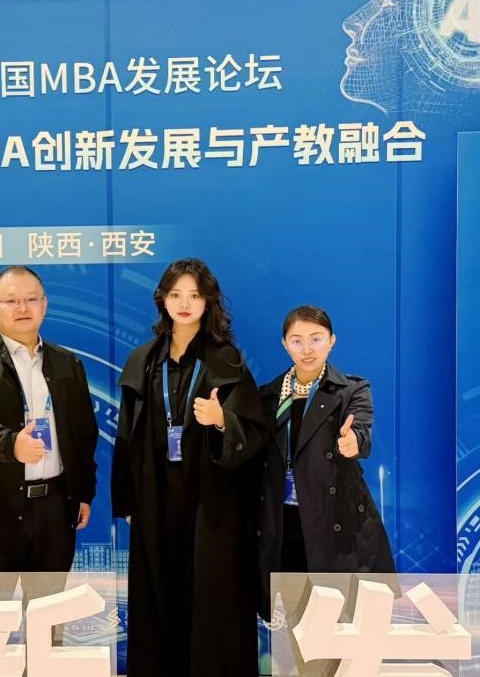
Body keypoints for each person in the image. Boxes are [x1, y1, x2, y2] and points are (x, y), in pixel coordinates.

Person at [111, 258, 267, 677]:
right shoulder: (143, 360)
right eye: (176, 294)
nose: (184, 303)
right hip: (156, 496)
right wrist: (127, 499)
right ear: (162, 299)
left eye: (194, 296)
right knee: (158, 594)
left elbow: (254, 432)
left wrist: (222, 421)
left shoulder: (226, 360)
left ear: (207, 302)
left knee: (211, 596)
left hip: (210, 499)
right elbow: (126, 435)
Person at [0, 265, 98, 602]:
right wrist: (12, 444)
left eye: (31, 299)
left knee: (48, 612)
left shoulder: (68, 363)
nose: (22, 308)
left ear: (44, 304)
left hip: (55, 507)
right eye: (11, 300)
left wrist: (84, 492)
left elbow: (84, 432)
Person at [257, 305, 395, 672]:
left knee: (342, 632)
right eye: (297, 340)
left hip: (336, 525)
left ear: (331, 341)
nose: (307, 349)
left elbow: (361, 433)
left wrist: (352, 443)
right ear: (285, 344)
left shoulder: (352, 389)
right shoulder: (268, 397)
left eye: (316, 339)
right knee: (302, 632)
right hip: (287, 527)